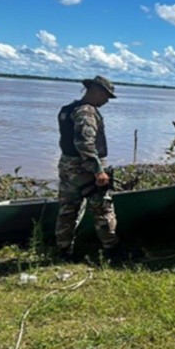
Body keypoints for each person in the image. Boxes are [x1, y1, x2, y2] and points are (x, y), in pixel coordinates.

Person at [55, 75, 123, 261]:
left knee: (67, 209)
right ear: (97, 91)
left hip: (67, 166)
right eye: (106, 96)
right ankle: (112, 250)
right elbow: (84, 143)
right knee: (103, 209)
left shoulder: (67, 109)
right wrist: (98, 170)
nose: (107, 100)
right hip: (84, 169)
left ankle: (64, 251)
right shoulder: (86, 112)